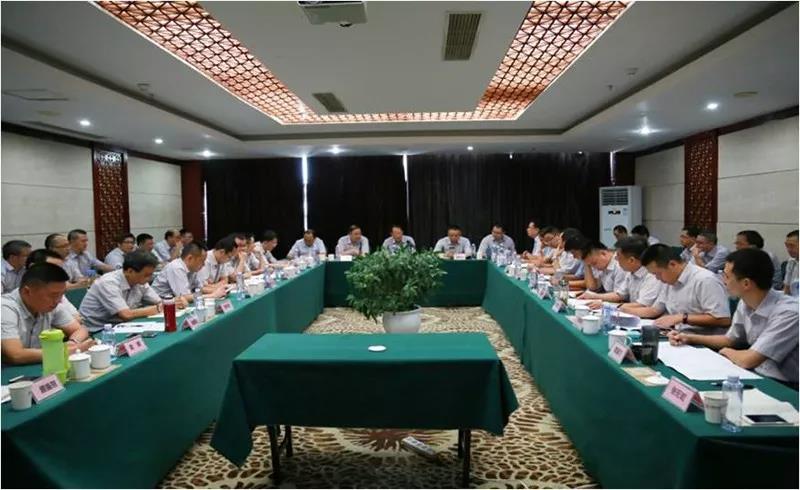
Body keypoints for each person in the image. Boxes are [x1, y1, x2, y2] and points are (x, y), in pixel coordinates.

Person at [668, 249, 798, 387]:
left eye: (726, 276)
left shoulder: (789, 313)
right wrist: (689, 338)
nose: (723, 280)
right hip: (757, 374)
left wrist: (726, 351)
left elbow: (748, 360)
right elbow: (730, 339)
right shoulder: (745, 301)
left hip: (790, 386)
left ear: (746, 284)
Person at [1, 263, 93, 365]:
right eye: (53, 295)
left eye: (61, 294)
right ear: (27, 292)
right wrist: (66, 351)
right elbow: (15, 355)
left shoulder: (52, 305)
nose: (58, 300)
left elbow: (81, 329)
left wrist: (72, 343)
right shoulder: (5, 308)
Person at [638, 244, 731, 334]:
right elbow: (657, 309)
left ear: (672, 264)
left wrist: (683, 318)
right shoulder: (669, 281)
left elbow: (723, 319)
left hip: (703, 340)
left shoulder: (705, 280)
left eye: (658, 273)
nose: (657, 278)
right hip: (677, 335)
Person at [79, 250, 169, 332]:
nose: (149, 279)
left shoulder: (140, 281)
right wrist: (157, 308)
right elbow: (126, 315)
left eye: (151, 275)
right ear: (130, 271)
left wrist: (165, 305)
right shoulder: (108, 282)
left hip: (121, 326)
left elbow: (160, 302)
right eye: (146, 275)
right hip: (96, 330)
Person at [152, 241, 221, 303]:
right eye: (201, 261)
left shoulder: (193, 269)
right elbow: (184, 296)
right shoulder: (176, 267)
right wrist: (212, 295)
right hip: (158, 303)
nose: (203, 265)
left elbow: (199, 288)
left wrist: (217, 290)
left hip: (174, 301)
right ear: (190, 258)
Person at [25, 249, 82, 321]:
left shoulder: (57, 292)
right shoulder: (22, 299)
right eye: (52, 269)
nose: (58, 274)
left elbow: (77, 316)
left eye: (60, 270)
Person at [612, 237, 665, 312]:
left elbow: (641, 304)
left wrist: (609, 306)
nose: (616, 259)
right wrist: (597, 298)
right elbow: (620, 294)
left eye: (618, 256)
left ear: (631, 260)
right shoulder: (631, 272)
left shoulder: (652, 275)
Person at [783, 230, 798, 296]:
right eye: (787, 246)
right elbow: (786, 287)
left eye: (792, 246)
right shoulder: (791, 261)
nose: (788, 249)